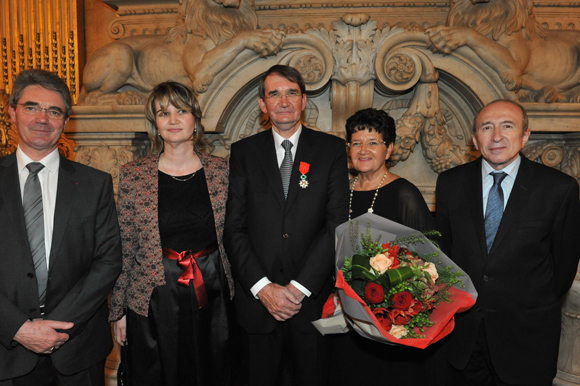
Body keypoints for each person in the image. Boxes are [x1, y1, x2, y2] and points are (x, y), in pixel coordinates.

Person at [435, 99, 580, 386]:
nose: (497, 136)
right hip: (463, 337)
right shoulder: (450, 183)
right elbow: (443, 253)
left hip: (526, 339)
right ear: (475, 139)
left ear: (525, 135)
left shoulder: (559, 189)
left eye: (507, 126)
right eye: (487, 127)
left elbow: (563, 268)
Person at [223, 64, 349, 386]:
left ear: (304, 100)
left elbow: (336, 224)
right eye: (274, 94)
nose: (284, 101)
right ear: (263, 105)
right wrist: (263, 288)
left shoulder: (332, 150)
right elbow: (234, 229)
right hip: (257, 304)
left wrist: (297, 289)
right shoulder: (243, 153)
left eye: (292, 93)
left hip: (311, 303)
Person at [0, 69, 122, 385]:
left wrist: (56, 327)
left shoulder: (95, 184)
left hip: (78, 351)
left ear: (66, 122)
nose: (43, 118)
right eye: (31, 107)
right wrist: (19, 328)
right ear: (12, 112)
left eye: (54, 111)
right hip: (6, 350)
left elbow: (108, 261)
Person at [109, 81, 235, 386]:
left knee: (214, 372)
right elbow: (125, 246)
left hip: (214, 292)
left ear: (195, 119)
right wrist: (118, 311)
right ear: (156, 124)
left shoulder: (224, 171)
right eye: (164, 113)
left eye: (182, 110)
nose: (174, 119)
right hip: (153, 297)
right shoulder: (132, 175)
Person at [329, 107, 437, 385]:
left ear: (389, 149)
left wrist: (392, 305)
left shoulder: (405, 194)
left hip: (389, 318)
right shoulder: (340, 191)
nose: (363, 149)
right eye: (356, 143)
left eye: (373, 142)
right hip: (344, 316)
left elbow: (428, 264)